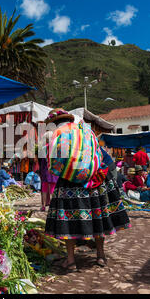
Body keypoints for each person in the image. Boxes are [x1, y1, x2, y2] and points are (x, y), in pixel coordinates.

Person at [44, 108, 131, 271]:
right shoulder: (87, 131)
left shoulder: (57, 134)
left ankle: (70, 260)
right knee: (97, 216)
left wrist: (67, 173)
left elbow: (54, 164)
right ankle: (100, 256)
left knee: (67, 220)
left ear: (54, 123)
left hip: (70, 184)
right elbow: (98, 154)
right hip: (95, 181)